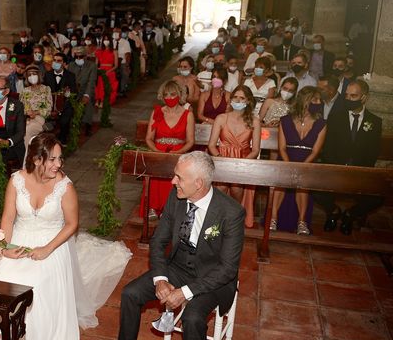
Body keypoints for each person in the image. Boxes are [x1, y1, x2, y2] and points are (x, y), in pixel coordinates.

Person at [98, 152, 245, 340]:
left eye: (179, 177)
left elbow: (227, 269)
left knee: (194, 318)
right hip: (177, 269)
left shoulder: (230, 212)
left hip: (212, 281)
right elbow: (158, 241)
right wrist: (161, 279)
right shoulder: (177, 199)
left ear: (199, 184)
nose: (172, 182)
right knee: (131, 293)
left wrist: (185, 292)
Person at [0, 133, 87, 340]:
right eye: (52, 159)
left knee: (36, 283)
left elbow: (72, 224)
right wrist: (5, 249)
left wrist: (47, 249)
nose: (58, 164)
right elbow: (9, 219)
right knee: (4, 279)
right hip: (20, 242)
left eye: (59, 159)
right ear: (35, 159)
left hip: (52, 243)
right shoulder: (16, 181)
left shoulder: (65, 186)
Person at [316, 80, 383, 235]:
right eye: (346, 95)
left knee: (379, 196)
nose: (348, 99)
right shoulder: (336, 117)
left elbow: (373, 151)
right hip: (336, 168)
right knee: (313, 186)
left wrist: (359, 171)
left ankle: (350, 215)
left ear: (364, 98)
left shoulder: (374, 122)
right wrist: (337, 168)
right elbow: (328, 147)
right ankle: (333, 211)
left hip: (360, 172)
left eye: (353, 96)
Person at [270, 87, 327, 235]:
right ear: (304, 100)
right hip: (287, 159)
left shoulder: (321, 123)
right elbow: (281, 147)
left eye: (319, 100)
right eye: (315, 99)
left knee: (303, 185)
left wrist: (302, 166)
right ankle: (273, 218)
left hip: (307, 161)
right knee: (280, 183)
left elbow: (316, 151)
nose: (318, 102)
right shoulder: (285, 120)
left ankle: (302, 222)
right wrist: (290, 165)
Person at [140, 81, 195, 219]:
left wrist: (178, 153)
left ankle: (168, 209)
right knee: (155, 170)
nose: (169, 98)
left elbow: (190, 141)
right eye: (166, 95)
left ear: (179, 95)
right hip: (158, 152)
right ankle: (152, 207)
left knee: (176, 176)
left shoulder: (187, 114)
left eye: (173, 94)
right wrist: (157, 152)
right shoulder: (157, 112)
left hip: (178, 153)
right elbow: (149, 138)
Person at [208, 85, 261, 228]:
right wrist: (222, 161)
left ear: (248, 101)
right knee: (220, 189)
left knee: (237, 189)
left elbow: (255, 150)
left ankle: (233, 219)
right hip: (222, 159)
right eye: (235, 97)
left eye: (242, 98)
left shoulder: (254, 121)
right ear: (230, 100)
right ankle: (217, 220)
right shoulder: (221, 118)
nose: (238, 100)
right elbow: (212, 145)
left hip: (243, 161)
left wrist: (240, 165)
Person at [43, 53, 81, 145]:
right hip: (50, 104)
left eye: (59, 61)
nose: (56, 62)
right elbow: (43, 91)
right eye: (54, 60)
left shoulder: (70, 75)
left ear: (64, 63)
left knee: (65, 119)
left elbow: (74, 93)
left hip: (65, 104)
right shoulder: (47, 75)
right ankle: (47, 139)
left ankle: (63, 138)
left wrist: (67, 94)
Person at [19, 65, 53, 160]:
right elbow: (21, 108)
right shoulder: (25, 91)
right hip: (27, 119)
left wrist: (36, 112)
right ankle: (30, 157)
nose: (32, 76)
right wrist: (28, 113)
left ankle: (27, 161)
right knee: (21, 129)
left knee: (27, 131)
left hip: (40, 119)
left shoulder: (46, 89)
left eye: (34, 74)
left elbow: (48, 109)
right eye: (29, 75)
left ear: (38, 75)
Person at [66, 47, 97, 136]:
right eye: (77, 57)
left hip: (86, 90)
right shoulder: (71, 65)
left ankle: (88, 125)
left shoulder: (92, 66)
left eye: (81, 57)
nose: (78, 59)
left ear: (85, 56)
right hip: (74, 90)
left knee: (88, 103)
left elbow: (91, 82)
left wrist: (87, 95)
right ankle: (72, 124)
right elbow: (68, 79)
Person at [93, 33, 119, 107]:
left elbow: (116, 65)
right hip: (101, 69)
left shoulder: (114, 51)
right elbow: (96, 64)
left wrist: (108, 71)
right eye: (105, 39)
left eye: (107, 39)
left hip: (110, 70)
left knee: (107, 78)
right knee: (100, 79)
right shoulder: (99, 51)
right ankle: (98, 99)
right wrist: (98, 70)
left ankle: (103, 100)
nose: (106, 41)